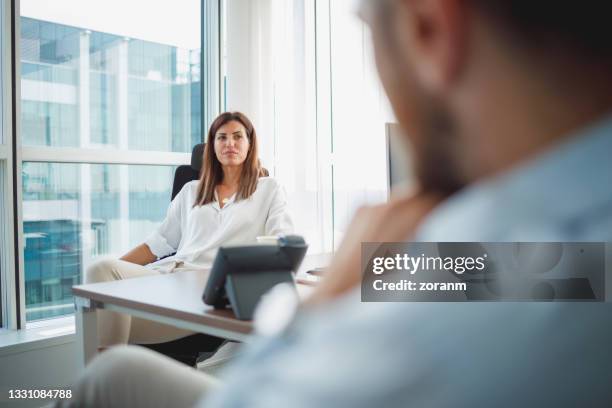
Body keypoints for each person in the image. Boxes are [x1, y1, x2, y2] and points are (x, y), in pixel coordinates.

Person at [57, 0, 612, 407]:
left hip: (244, 329)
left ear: (429, 30)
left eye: (370, 30)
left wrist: (327, 304)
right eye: (222, 137)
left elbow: (260, 398)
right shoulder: (547, 253)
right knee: (112, 345)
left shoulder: (476, 272)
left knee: (109, 380)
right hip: (181, 283)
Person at [85, 111, 293, 348]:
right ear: (212, 146)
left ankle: (104, 379)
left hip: (208, 291)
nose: (230, 144)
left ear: (250, 144)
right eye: (222, 137)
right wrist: (115, 276)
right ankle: (106, 380)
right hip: (167, 279)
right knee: (100, 272)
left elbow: (280, 243)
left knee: (105, 332)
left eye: (238, 137)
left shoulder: (269, 189)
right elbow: (157, 244)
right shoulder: (191, 191)